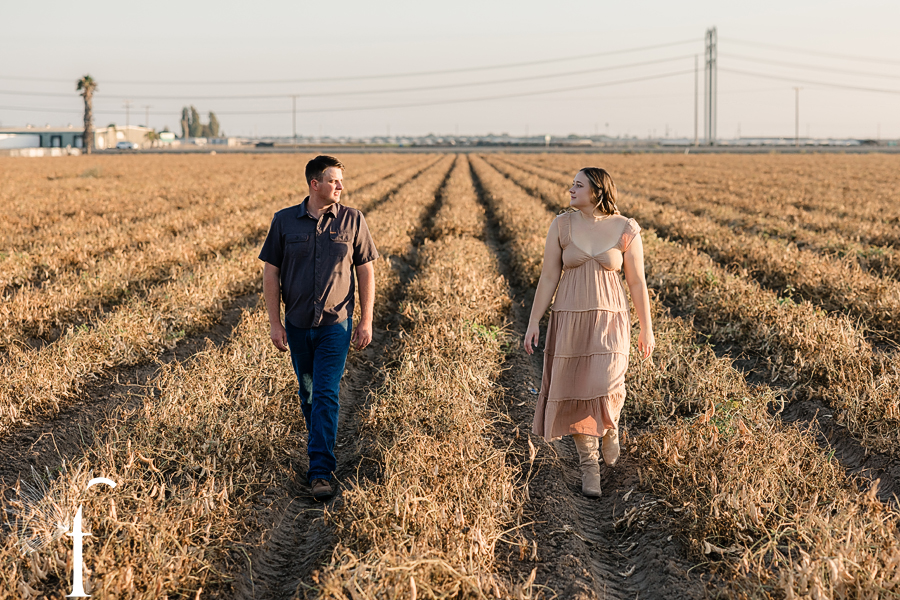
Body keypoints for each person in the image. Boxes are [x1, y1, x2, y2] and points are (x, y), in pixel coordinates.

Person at [524, 167, 654, 498]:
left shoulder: (626, 228)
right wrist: (533, 321)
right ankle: (589, 467)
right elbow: (548, 278)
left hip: (611, 319)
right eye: (572, 184)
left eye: (578, 185)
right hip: (569, 318)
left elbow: (637, 282)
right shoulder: (561, 225)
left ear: (597, 191)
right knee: (577, 388)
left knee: (608, 382)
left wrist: (647, 329)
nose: (571, 189)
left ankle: (609, 425)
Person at [259, 155, 378, 502]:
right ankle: (319, 448)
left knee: (326, 393)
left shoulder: (353, 220)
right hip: (296, 326)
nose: (340, 186)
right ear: (315, 184)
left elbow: (366, 271)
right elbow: (271, 274)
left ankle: (320, 470)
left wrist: (366, 320)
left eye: (341, 181)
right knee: (308, 394)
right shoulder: (284, 222)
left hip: (335, 326)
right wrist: (275, 324)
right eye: (334, 180)